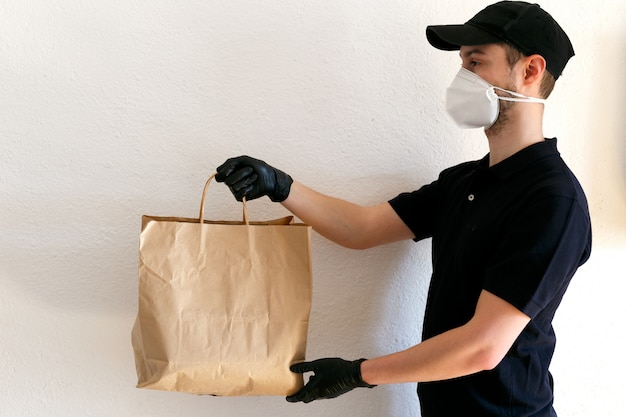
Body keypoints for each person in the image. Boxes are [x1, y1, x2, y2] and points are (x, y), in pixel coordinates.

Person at [215, 1, 592, 416]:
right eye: (462, 62)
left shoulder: (552, 200)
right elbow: (359, 228)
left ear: (530, 71)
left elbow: (483, 347)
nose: (463, 76)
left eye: (476, 61)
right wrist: (280, 185)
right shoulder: (463, 181)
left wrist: (358, 373)